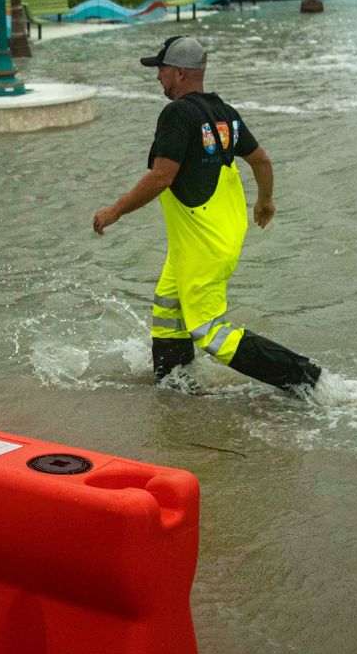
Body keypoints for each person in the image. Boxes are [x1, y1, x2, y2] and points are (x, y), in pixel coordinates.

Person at [92, 35, 322, 395]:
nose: (158, 78)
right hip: (211, 236)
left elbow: (161, 177)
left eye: (161, 70)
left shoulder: (177, 114)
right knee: (168, 311)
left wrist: (115, 210)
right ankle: (175, 387)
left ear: (180, 73)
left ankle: (306, 377)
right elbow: (260, 160)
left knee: (208, 330)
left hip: (203, 243)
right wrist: (265, 201)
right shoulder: (225, 114)